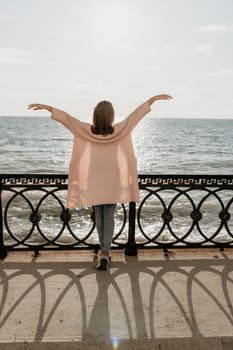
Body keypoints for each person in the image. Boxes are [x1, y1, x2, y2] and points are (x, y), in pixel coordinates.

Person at [28, 94, 172, 270]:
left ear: (95, 116)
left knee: (99, 215)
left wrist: (47, 107)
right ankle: (106, 252)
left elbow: (67, 119)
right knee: (108, 215)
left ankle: (104, 251)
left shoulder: (86, 130)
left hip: (94, 178)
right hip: (113, 177)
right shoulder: (120, 129)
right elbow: (136, 115)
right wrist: (152, 100)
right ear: (111, 116)